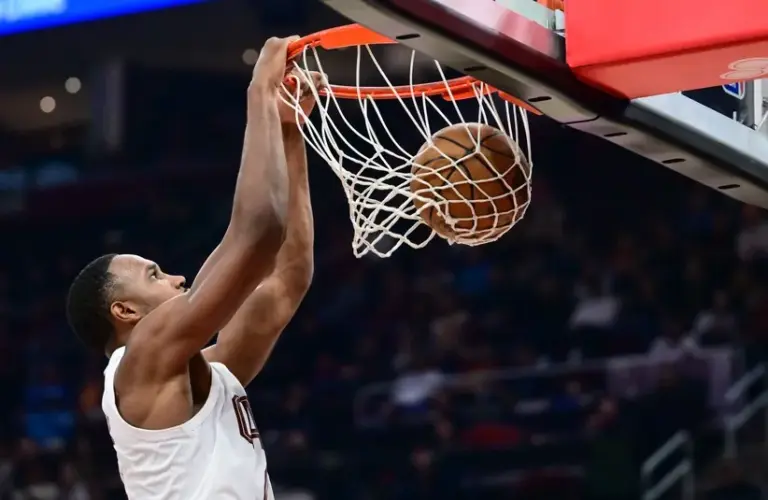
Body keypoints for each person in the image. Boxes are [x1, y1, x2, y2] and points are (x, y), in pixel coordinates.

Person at [65, 36, 321, 500]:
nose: (176, 278)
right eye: (154, 275)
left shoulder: (209, 372)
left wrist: (288, 131)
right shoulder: (137, 360)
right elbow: (258, 235)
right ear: (124, 312)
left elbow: (287, 277)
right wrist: (259, 93)